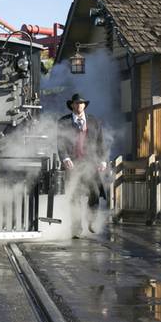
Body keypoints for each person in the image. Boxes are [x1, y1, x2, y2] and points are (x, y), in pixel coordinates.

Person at [57, 92, 107, 238]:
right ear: (71, 105)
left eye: (81, 103)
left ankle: (91, 221)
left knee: (95, 193)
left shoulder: (94, 122)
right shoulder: (63, 122)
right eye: (76, 103)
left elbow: (100, 143)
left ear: (85, 105)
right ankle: (76, 228)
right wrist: (65, 158)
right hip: (73, 164)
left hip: (90, 163)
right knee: (75, 196)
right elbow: (60, 143)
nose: (79, 105)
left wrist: (102, 160)